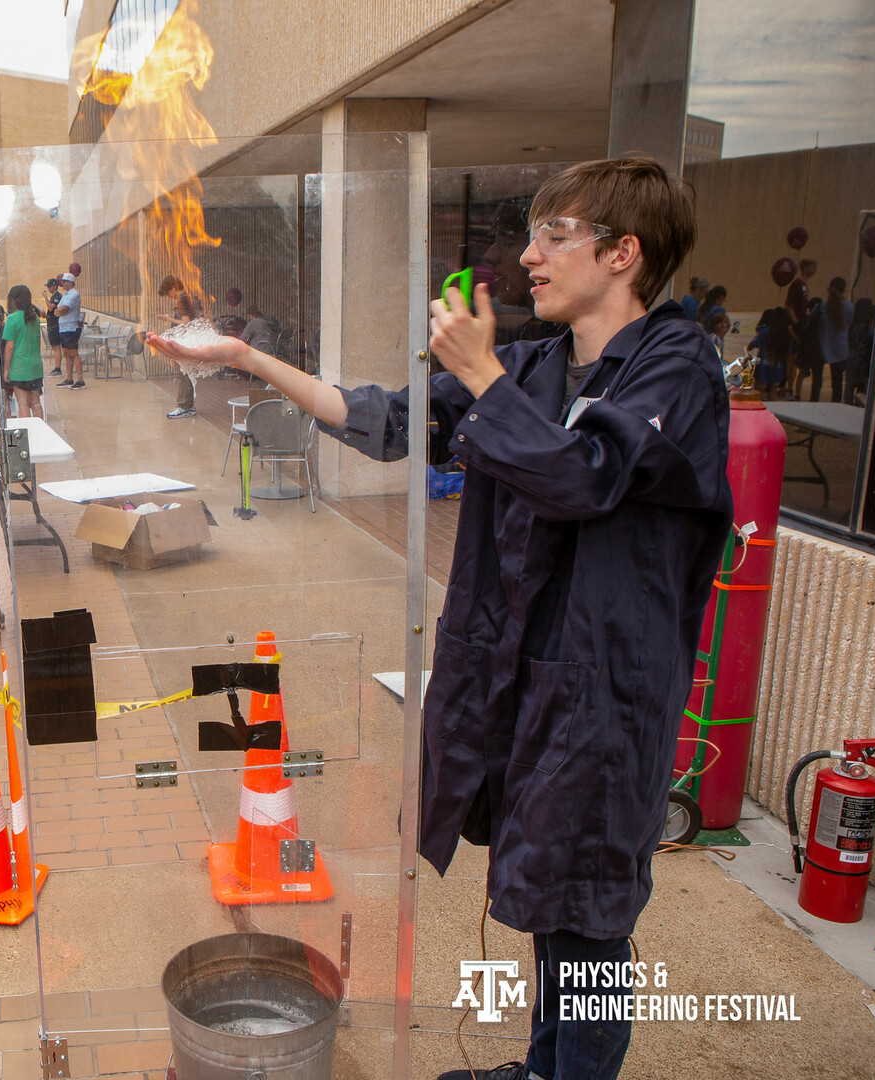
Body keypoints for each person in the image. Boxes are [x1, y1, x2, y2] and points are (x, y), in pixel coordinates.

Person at [151, 155, 731, 1080]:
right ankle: (544, 1066)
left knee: (586, 911)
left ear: (624, 253)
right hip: (520, 677)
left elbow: (586, 477)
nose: (529, 256)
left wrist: (484, 375)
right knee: (547, 889)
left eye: (555, 235)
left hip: (605, 694)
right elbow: (384, 420)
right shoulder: (535, 365)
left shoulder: (677, 367)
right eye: (533, 232)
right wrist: (247, 359)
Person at [158, 275, 202, 418]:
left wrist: (169, 319)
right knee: (185, 373)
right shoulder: (190, 298)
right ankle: (187, 405)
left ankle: (185, 406)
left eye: (168, 292)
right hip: (190, 340)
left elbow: (185, 322)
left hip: (184, 341)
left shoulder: (182, 299)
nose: (169, 296)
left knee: (183, 374)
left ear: (173, 288)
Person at [2, 285, 45, 419]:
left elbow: (9, 346)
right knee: (36, 403)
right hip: (36, 366)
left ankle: (27, 433)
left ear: (14, 301)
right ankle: (40, 430)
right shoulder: (35, 318)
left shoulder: (12, 319)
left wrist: (6, 369)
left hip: (19, 367)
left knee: (23, 404)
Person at [819, 276, 853, 403]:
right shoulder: (849, 307)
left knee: (823, 379)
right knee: (838, 381)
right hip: (841, 347)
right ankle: (836, 403)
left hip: (825, 345)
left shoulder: (824, 306)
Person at [53, 272, 84, 388]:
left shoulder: (74, 294)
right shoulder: (65, 295)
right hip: (63, 328)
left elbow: (64, 309)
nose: (62, 284)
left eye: (64, 282)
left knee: (73, 353)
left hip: (71, 328)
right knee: (66, 353)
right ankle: (69, 378)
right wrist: (59, 311)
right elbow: (57, 310)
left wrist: (60, 311)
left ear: (70, 282)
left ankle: (80, 380)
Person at [794, 297, 827, 402]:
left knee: (802, 373)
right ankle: (813, 398)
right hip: (816, 351)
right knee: (817, 377)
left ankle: (797, 395)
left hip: (807, 350)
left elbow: (792, 328)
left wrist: (799, 340)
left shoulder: (808, 319)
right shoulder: (820, 320)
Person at [845, 298, 875, 405]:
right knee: (862, 387)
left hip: (853, 358)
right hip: (863, 361)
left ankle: (848, 405)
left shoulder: (856, 325)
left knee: (850, 386)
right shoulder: (873, 331)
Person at [44, 278, 64, 374]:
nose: (48, 288)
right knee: (54, 347)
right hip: (51, 324)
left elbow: (51, 307)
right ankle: (57, 367)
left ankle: (57, 368)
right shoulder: (53, 297)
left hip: (55, 325)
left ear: (54, 286)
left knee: (56, 347)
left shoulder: (57, 296)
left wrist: (45, 298)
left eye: (49, 286)